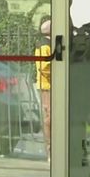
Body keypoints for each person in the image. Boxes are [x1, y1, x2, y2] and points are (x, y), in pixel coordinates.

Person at [35, 19, 52, 162]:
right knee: (49, 117)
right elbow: (44, 67)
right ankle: (50, 149)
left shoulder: (46, 44)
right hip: (47, 86)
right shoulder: (44, 45)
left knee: (50, 117)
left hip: (47, 85)